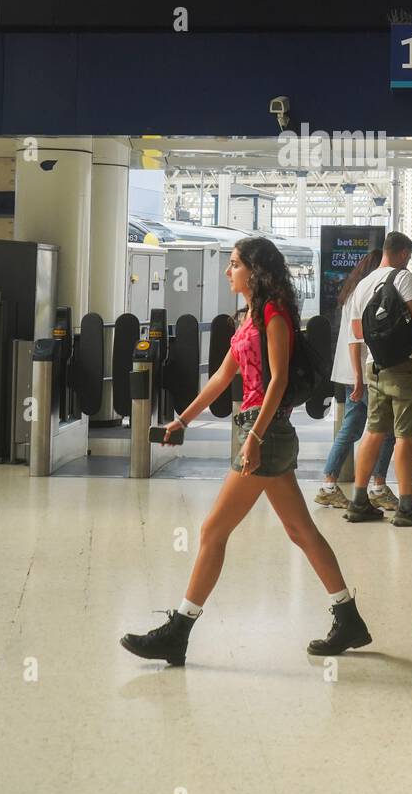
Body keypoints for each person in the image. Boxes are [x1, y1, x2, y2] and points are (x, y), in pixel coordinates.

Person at [120, 236, 371, 664]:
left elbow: (277, 380)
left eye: (234, 264)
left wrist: (254, 438)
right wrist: (183, 419)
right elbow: (221, 377)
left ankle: (178, 632)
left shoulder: (274, 315)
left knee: (213, 531)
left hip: (264, 432)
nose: (228, 271)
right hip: (258, 431)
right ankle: (348, 618)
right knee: (300, 531)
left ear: (255, 271)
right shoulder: (247, 318)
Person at [342, 230, 412, 527]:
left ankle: (359, 501)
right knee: (404, 437)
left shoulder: (363, 284)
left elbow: (358, 332)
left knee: (373, 432)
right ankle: (407, 506)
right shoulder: (403, 277)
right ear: (403, 253)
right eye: (407, 257)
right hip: (405, 368)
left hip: (376, 367)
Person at [315, 249, 398, 511]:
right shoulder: (366, 293)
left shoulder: (353, 292)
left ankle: (329, 484)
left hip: (353, 374)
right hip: (362, 373)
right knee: (386, 432)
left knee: (351, 429)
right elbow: (356, 340)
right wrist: (360, 379)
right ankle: (378, 487)